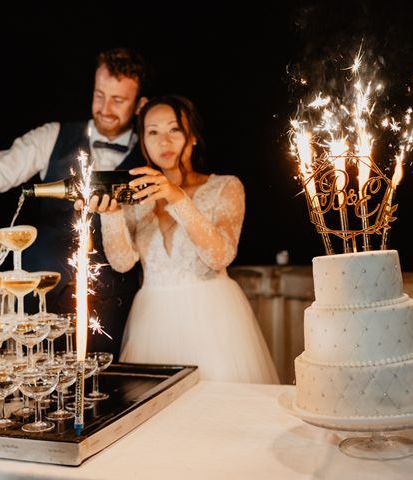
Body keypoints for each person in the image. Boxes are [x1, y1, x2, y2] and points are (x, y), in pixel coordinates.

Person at [0, 47, 148, 360]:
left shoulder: (152, 155)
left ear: (140, 105)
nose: (105, 108)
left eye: (119, 100)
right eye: (99, 95)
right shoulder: (53, 136)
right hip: (36, 309)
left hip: (112, 313)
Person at [89, 94, 280, 383]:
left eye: (174, 129)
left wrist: (178, 198)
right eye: (153, 132)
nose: (163, 142)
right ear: (143, 141)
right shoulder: (135, 196)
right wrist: (111, 213)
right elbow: (122, 263)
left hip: (213, 317)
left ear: (191, 136)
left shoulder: (225, 186)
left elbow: (220, 256)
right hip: (152, 321)